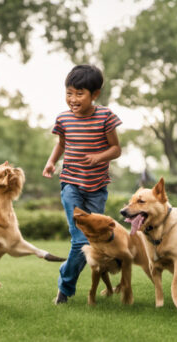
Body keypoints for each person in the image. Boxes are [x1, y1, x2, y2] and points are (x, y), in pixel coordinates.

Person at [42, 65, 122, 304]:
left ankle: (69, 272)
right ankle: (65, 289)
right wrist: (51, 162)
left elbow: (116, 149)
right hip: (71, 185)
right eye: (69, 93)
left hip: (97, 188)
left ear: (94, 94)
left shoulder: (105, 117)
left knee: (93, 240)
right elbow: (61, 144)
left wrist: (99, 157)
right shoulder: (63, 119)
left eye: (79, 93)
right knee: (81, 240)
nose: (73, 99)